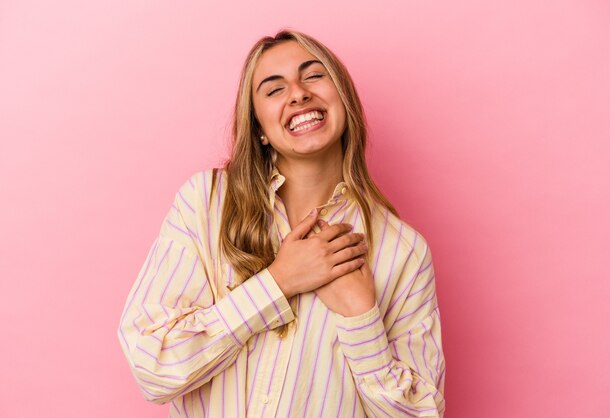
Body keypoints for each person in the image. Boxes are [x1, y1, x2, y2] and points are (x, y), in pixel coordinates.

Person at [118, 30, 445, 417]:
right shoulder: (206, 203)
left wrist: (362, 320)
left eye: (313, 76)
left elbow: (421, 412)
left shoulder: (402, 249)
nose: (298, 93)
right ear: (258, 127)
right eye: (274, 90)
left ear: (345, 101)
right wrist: (278, 282)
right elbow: (152, 366)